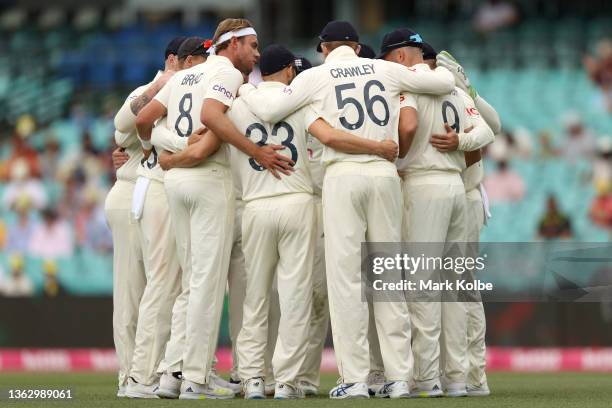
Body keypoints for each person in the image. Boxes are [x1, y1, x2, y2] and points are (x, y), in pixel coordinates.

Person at [239, 20, 456, 399]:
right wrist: (416, 66)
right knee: (388, 276)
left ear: (323, 48)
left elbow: (272, 109)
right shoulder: (384, 68)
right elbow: (443, 84)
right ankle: (400, 377)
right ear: (356, 47)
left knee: (346, 281)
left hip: (342, 175)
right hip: (384, 174)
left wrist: (244, 88)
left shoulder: (316, 77)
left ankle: (355, 379)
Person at [382, 32, 493, 398]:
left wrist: (397, 160)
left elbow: (409, 126)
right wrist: (460, 143)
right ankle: (458, 378)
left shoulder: (408, 87)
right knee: (456, 287)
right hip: (455, 187)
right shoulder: (455, 92)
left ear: (401, 58)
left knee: (423, 285)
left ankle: (427, 378)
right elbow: (488, 131)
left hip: (423, 184)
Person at [136, 35, 239, 399]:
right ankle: (197, 377)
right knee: (207, 284)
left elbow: (143, 118)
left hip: (174, 181)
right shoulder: (223, 78)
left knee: (191, 282)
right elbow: (205, 144)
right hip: (207, 177)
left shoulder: (180, 78)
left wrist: (155, 148)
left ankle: (171, 374)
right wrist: (185, 148)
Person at [110, 36, 183, 399]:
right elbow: (121, 126)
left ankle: (160, 371)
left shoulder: (189, 90)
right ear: (172, 59)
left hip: (163, 195)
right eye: (187, 58)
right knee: (133, 293)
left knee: (166, 288)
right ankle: (130, 376)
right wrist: (159, 85)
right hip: (133, 193)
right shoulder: (149, 89)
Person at [436, 48, 502, 397]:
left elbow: (494, 127)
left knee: (459, 288)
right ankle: (460, 374)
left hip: (464, 194)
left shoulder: (458, 95)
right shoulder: (443, 94)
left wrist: (470, 89)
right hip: (453, 195)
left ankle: (470, 375)